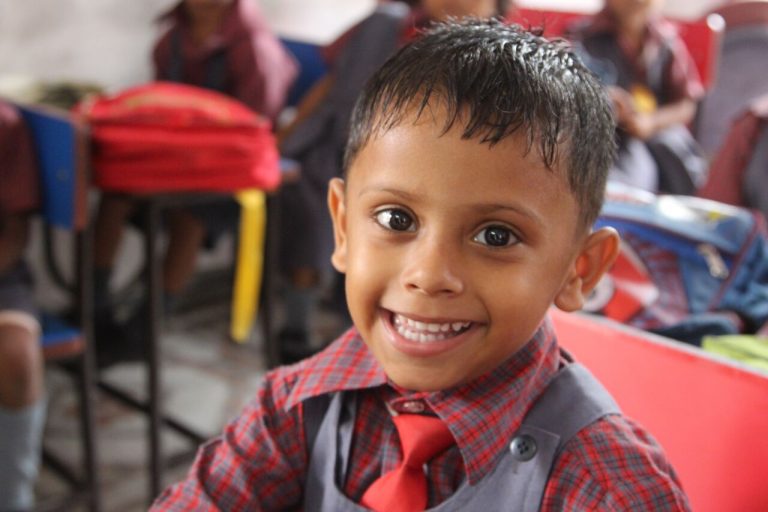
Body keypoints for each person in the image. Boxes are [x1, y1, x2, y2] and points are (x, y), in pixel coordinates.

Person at [152, 20, 690, 510]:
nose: (429, 274)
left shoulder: (610, 491)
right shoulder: (295, 406)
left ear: (580, 270)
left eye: (496, 235)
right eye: (396, 219)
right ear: (343, 228)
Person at [276, 0, 512, 364]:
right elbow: (331, 83)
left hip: (422, 174)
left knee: (391, 248)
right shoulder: (382, 25)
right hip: (334, 148)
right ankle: (296, 331)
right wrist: (284, 140)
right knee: (312, 222)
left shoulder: (501, 62)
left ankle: (366, 344)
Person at [91, 0, 297, 364]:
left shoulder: (253, 49)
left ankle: (146, 328)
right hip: (180, 158)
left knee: (190, 216)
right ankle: (94, 308)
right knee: (114, 194)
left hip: (229, 167)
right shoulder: (172, 37)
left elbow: (257, 128)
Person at [567, 0, 707, 194]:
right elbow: (566, 90)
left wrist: (652, 122)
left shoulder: (665, 41)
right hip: (610, 137)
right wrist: (605, 102)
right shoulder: (583, 38)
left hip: (658, 135)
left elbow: (686, 103)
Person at [0, 101, 45, 511]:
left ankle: (12, 499)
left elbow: (15, 234)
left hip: (3, 273)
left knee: (17, 358)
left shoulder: (5, 125)